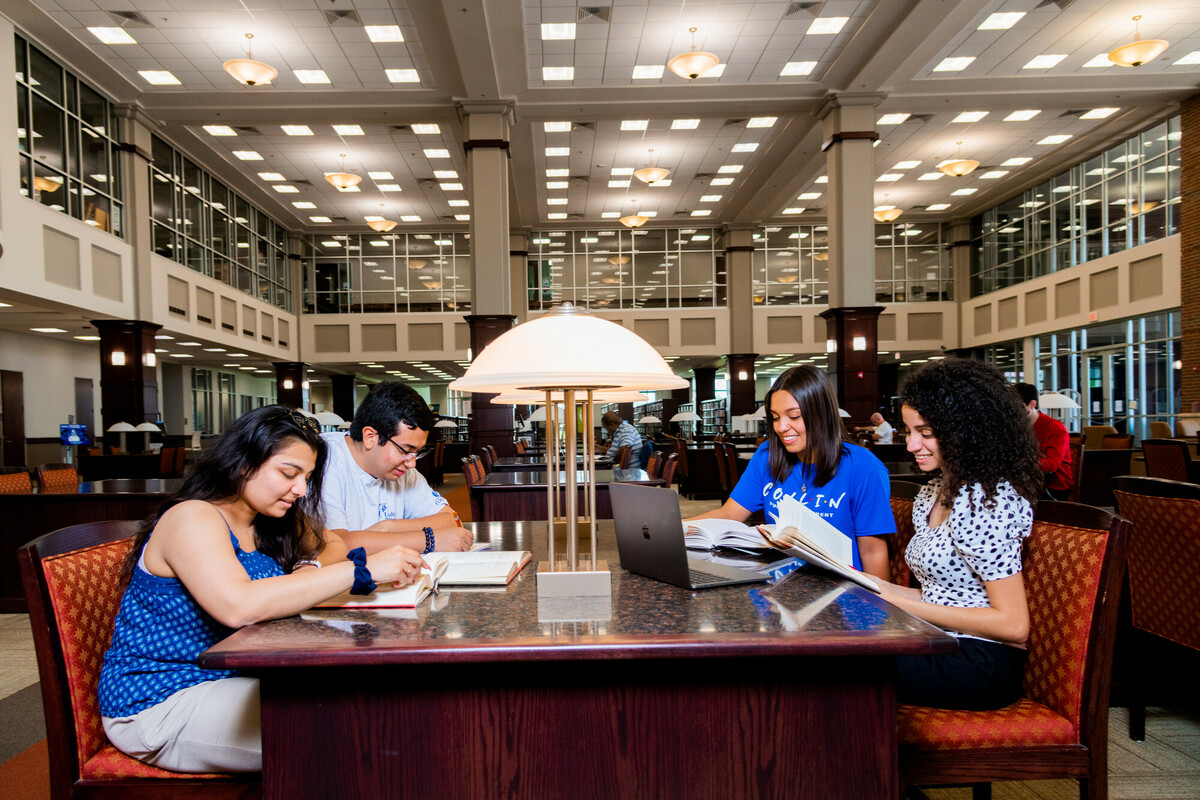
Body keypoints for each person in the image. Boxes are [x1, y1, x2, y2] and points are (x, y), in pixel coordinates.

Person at [99, 406, 426, 772]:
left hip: (241, 674)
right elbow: (240, 606)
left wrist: (308, 568)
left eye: (307, 476)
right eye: (289, 473)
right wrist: (358, 570)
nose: (300, 490)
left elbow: (331, 543)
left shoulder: (270, 517)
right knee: (362, 732)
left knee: (382, 704)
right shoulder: (192, 517)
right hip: (164, 698)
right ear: (243, 463)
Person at [877, 358, 1043, 710]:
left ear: (966, 431)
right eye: (909, 432)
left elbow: (1014, 626)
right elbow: (943, 595)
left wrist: (897, 603)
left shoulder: (985, 502)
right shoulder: (937, 492)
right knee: (839, 654)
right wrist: (862, 584)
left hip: (980, 661)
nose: (911, 446)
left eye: (925, 433)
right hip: (941, 641)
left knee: (841, 664)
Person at [687, 366, 893, 579]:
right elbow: (728, 515)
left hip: (840, 591)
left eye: (794, 416)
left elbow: (873, 552)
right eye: (775, 417)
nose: (781, 427)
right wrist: (673, 528)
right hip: (780, 582)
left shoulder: (863, 467)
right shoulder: (767, 455)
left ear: (822, 414)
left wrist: (881, 610)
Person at [321, 382, 472, 553]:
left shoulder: (402, 468)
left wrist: (388, 527)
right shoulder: (324, 460)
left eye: (417, 452)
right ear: (370, 436)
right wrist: (428, 540)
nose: (412, 463)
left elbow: (450, 519)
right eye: (406, 450)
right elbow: (336, 546)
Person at [1014, 382, 1072, 500]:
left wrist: (1018, 464)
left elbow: (1051, 465)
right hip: (1028, 482)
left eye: (1017, 406)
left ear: (1032, 404)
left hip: (1053, 486)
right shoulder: (1017, 428)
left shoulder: (1055, 428)